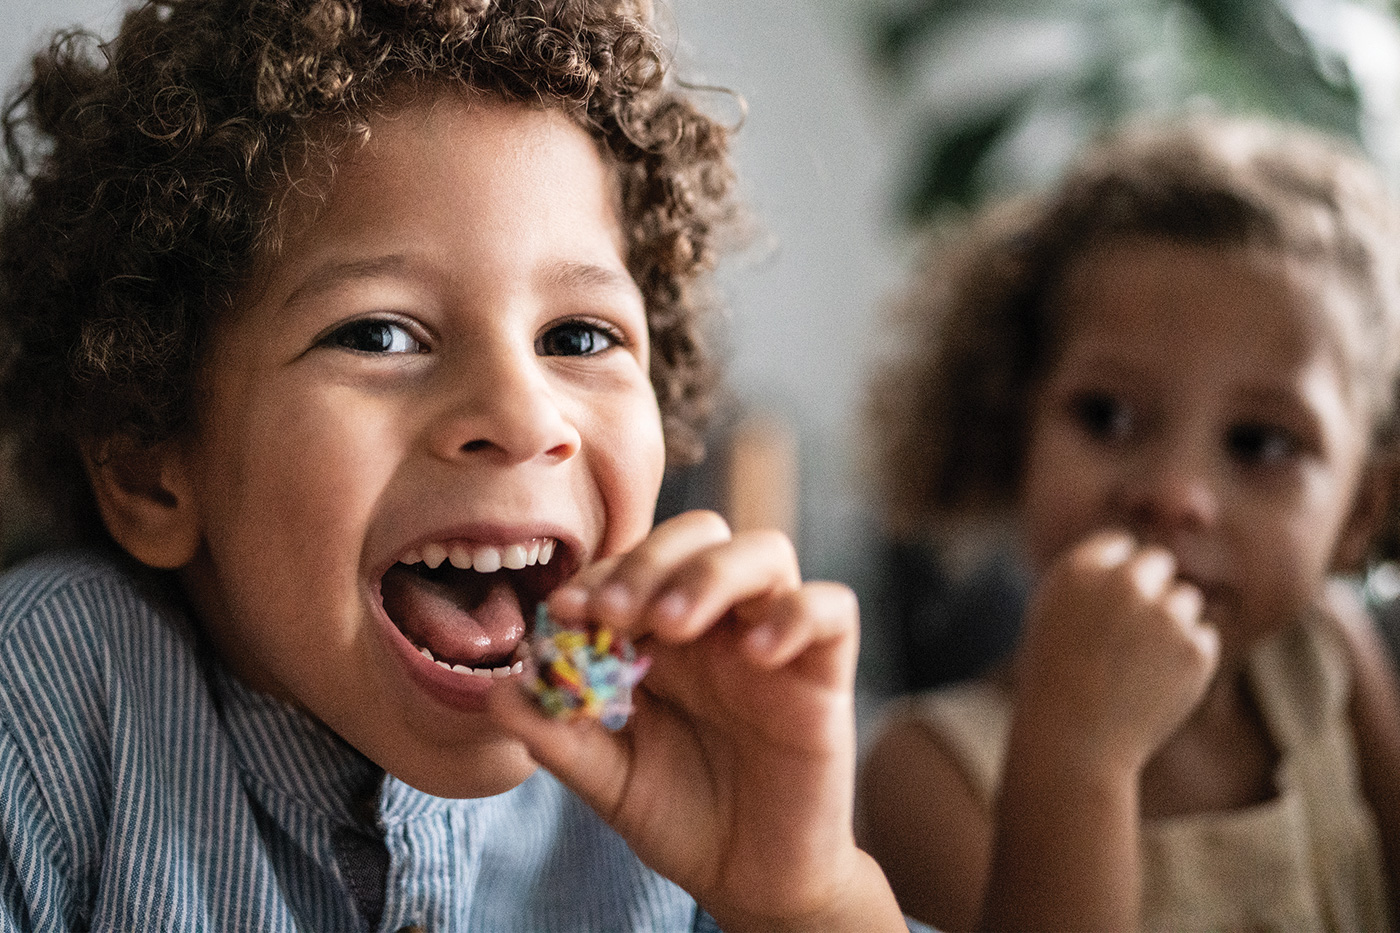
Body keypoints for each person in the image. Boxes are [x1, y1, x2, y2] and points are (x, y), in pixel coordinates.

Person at [0, 1, 915, 930]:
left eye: (579, 335)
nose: (524, 418)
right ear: (152, 469)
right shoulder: (51, 698)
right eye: (381, 334)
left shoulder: (686, 760)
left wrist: (809, 900)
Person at [855, 113, 1400, 932]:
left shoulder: (1328, 659)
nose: (1175, 494)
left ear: (1360, 510)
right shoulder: (929, 772)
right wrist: (1081, 758)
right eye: (1107, 415)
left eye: (1259, 443)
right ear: (1014, 431)